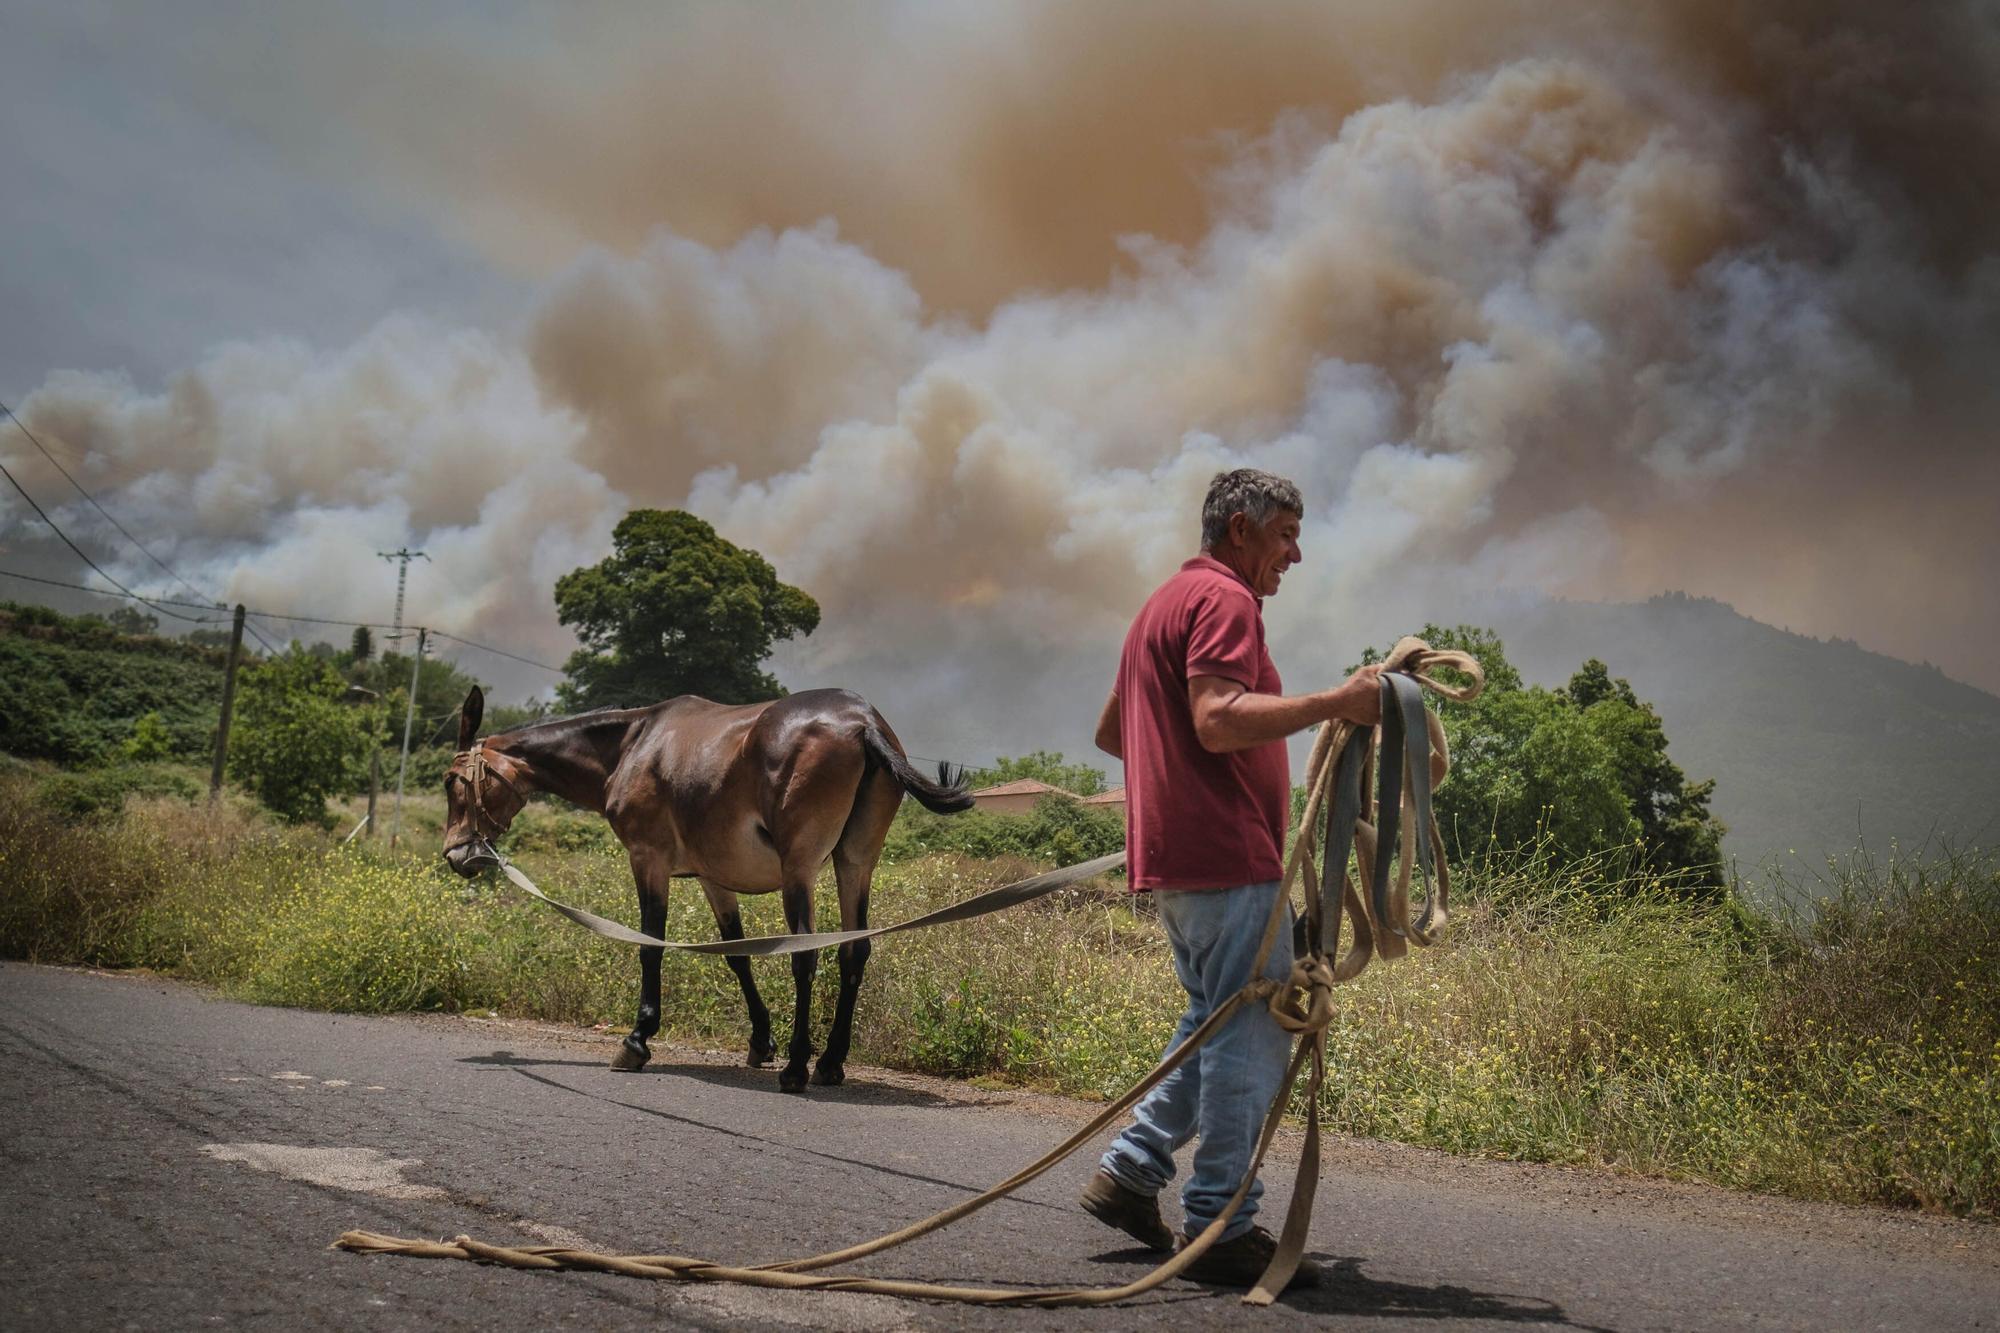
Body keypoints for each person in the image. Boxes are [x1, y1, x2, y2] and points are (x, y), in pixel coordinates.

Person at [1078, 467, 1382, 1290]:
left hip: (1178, 866)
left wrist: (1176, 783)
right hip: (1229, 860)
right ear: (1239, 529)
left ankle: (1131, 1173)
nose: (1296, 552)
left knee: (1212, 1023)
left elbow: (1116, 731)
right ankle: (1221, 1222)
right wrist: (1338, 703)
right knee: (1248, 1036)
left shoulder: (1161, 604)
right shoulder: (1226, 600)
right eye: (1285, 533)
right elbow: (1214, 720)